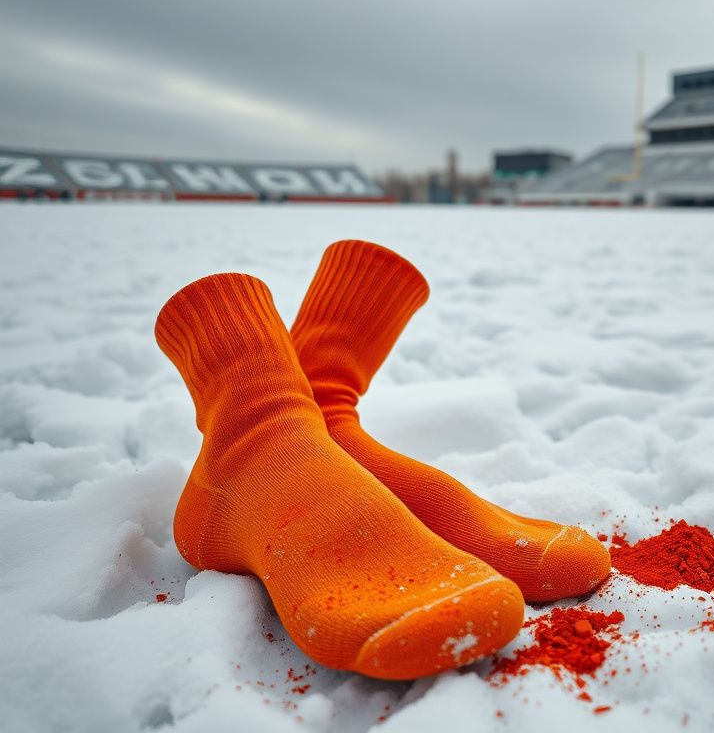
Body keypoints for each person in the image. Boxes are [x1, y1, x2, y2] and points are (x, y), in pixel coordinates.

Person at [155, 240, 610, 680]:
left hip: (304, 459)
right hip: (285, 475)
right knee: (287, 423)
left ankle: (308, 434)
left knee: (318, 411)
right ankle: (254, 448)